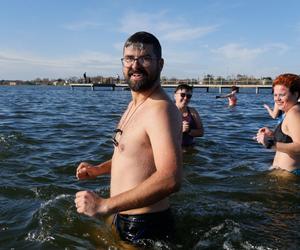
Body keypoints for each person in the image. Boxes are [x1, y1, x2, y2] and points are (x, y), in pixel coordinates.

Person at [74, 31, 183, 245]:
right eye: (129, 58)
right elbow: (134, 158)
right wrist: (99, 169)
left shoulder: (160, 110)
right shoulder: (134, 105)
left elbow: (171, 177)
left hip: (145, 225)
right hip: (120, 215)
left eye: (145, 58)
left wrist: (104, 205)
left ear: (160, 64)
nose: (135, 65)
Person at [255, 73, 300, 176]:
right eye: (275, 95)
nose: (277, 99)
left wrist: (271, 144)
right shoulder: (291, 111)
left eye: (282, 95)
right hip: (285, 174)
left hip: (289, 177)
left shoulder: (294, 113)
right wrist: (272, 135)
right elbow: (291, 138)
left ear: (295, 94)